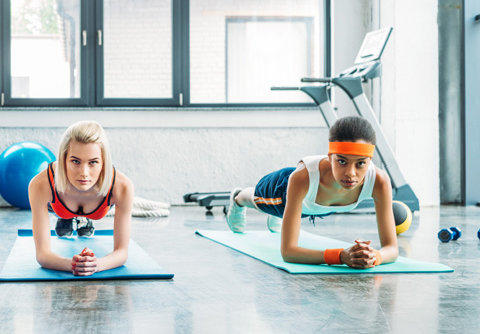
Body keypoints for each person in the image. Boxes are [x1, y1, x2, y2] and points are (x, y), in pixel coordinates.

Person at [226, 116, 399, 269]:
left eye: (361, 163)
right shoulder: (301, 178)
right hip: (281, 193)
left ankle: (286, 217)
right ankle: (238, 198)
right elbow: (288, 252)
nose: (351, 173)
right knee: (254, 199)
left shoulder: (380, 181)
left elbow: (392, 249)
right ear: (330, 157)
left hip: (315, 205)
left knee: (293, 214)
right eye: (342, 161)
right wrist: (340, 256)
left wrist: (374, 256)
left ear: (370, 161)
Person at [28, 120, 134, 276]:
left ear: (103, 162)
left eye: (93, 162)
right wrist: (73, 264)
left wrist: (96, 265)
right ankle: (67, 218)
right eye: (75, 161)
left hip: (98, 207)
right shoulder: (41, 185)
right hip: (59, 206)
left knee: (83, 216)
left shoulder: (122, 187)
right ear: (63, 159)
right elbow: (43, 255)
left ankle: (83, 218)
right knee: (65, 215)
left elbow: (122, 252)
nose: (84, 172)